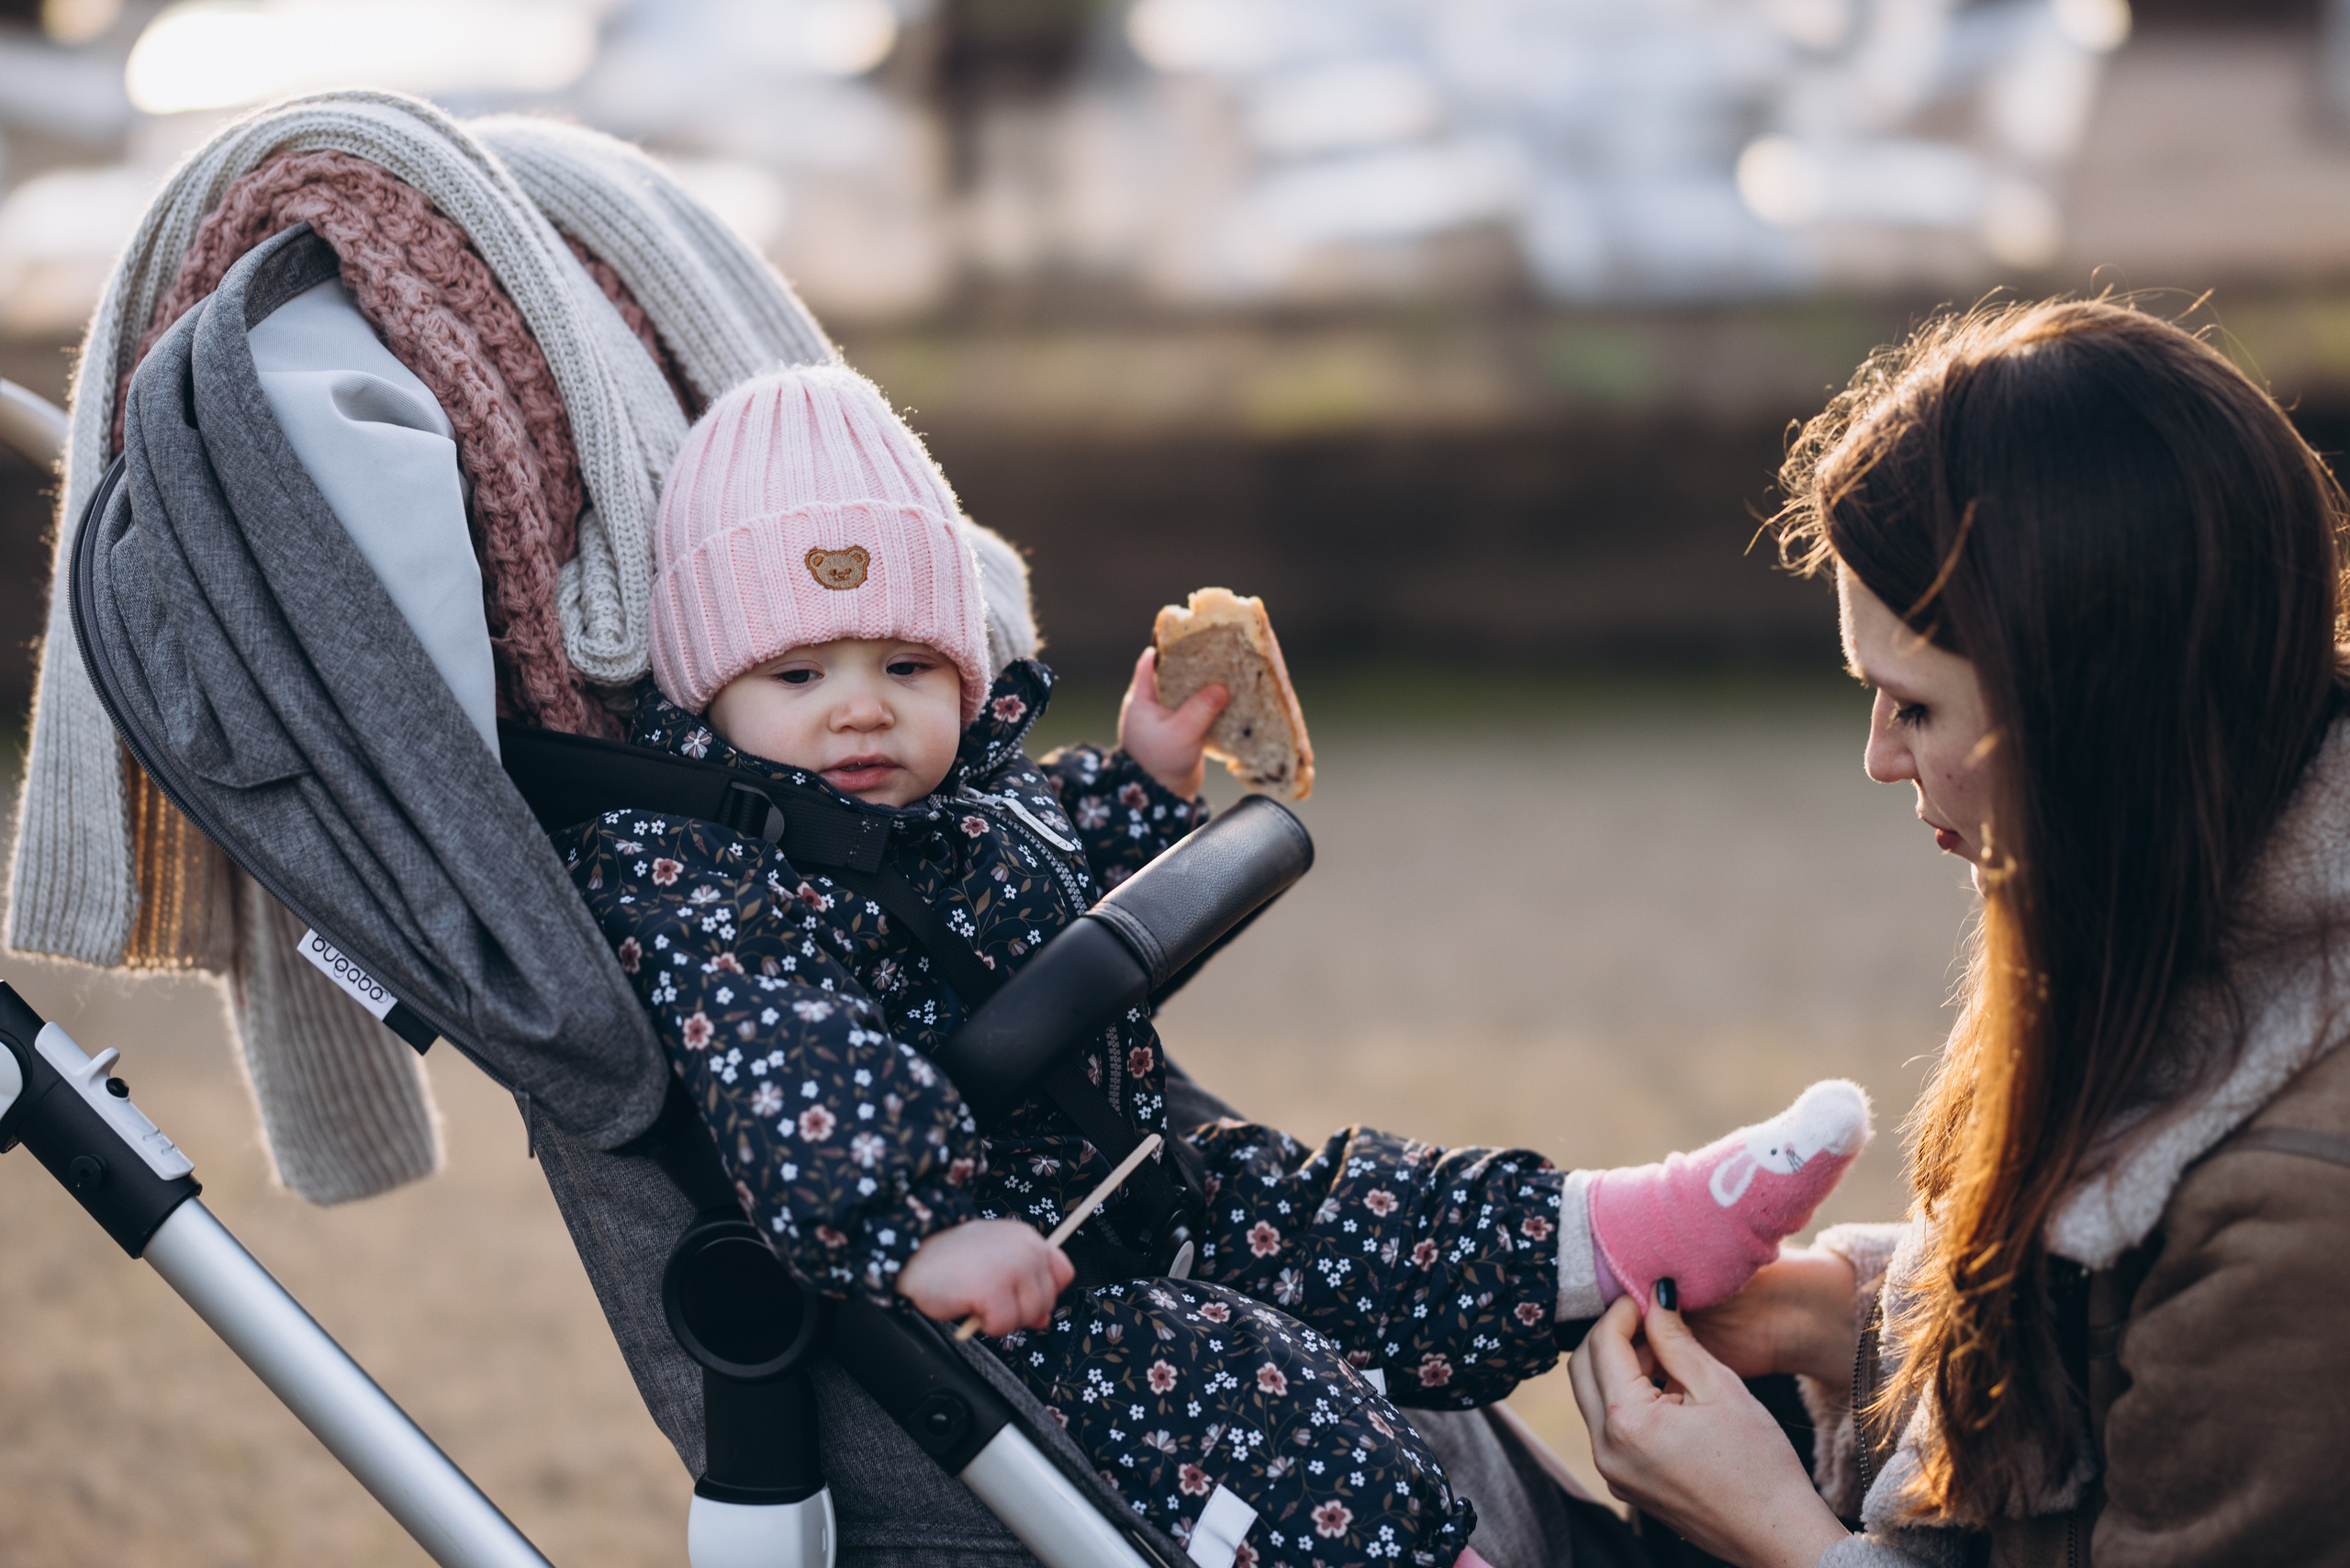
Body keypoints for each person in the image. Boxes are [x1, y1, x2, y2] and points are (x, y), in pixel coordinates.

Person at [560, 363, 1873, 1568]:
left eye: (907, 664)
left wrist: (1145, 781)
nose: (862, 706)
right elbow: (781, 1053)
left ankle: (1627, 1231)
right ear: (706, 689)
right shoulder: (696, 876)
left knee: (1353, 1209)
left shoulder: (958, 802)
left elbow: (1045, 857)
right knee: (1254, 1395)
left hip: (1133, 1197)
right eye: (799, 673)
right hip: (1010, 1312)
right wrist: (917, 1231)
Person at [1570, 297, 2350, 1567]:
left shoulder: (2304, 1211)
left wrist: (1774, 1531)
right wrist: (1835, 1318)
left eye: (1917, 708)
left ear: (2091, 717)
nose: (1880, 759)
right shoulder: (2176, 890)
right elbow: (2098, 1350)